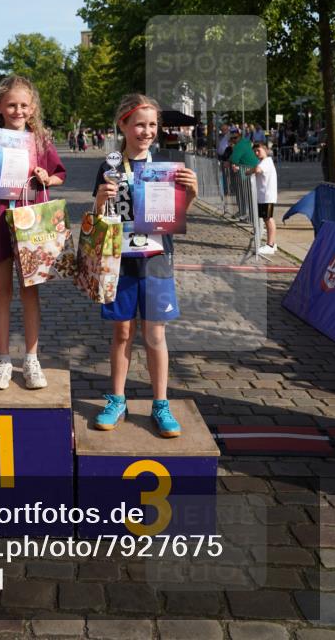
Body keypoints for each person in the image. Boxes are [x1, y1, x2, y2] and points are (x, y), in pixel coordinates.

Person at [92, 94, 198, 437]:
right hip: (120, 262)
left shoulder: (167, 164)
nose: (147, 131)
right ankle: (117, 399)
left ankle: (160, 403)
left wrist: (191, 195)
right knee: (122, 332)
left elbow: (174, 216)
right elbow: (100, 219)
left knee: (155, 334)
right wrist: (99, 201)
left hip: (157, 261)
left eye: (152, 125)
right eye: (139, 124)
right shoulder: (108, 166)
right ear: (123, 124)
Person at [0, 75, 66, 391]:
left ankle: (32, 359)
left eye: (24, 105)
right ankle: (2, 360)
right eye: (11, 104)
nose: (18, 110)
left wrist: (46, 178)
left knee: (30, 292)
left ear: (32, 107)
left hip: (31, 220)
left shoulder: (39, 141)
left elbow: (58, 175)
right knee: (1, 292)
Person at [246, 141, 278, 255]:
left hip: (267, 196)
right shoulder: (263, 162)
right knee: (266, 218)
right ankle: (272, 244)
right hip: (264, 196)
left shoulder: (266, 161)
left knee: (268, 219)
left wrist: (249, 171)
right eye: (255, 151)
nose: (256, 153)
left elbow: (258, 170)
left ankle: (270, 245)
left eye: (258, 150)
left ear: (266, 150)